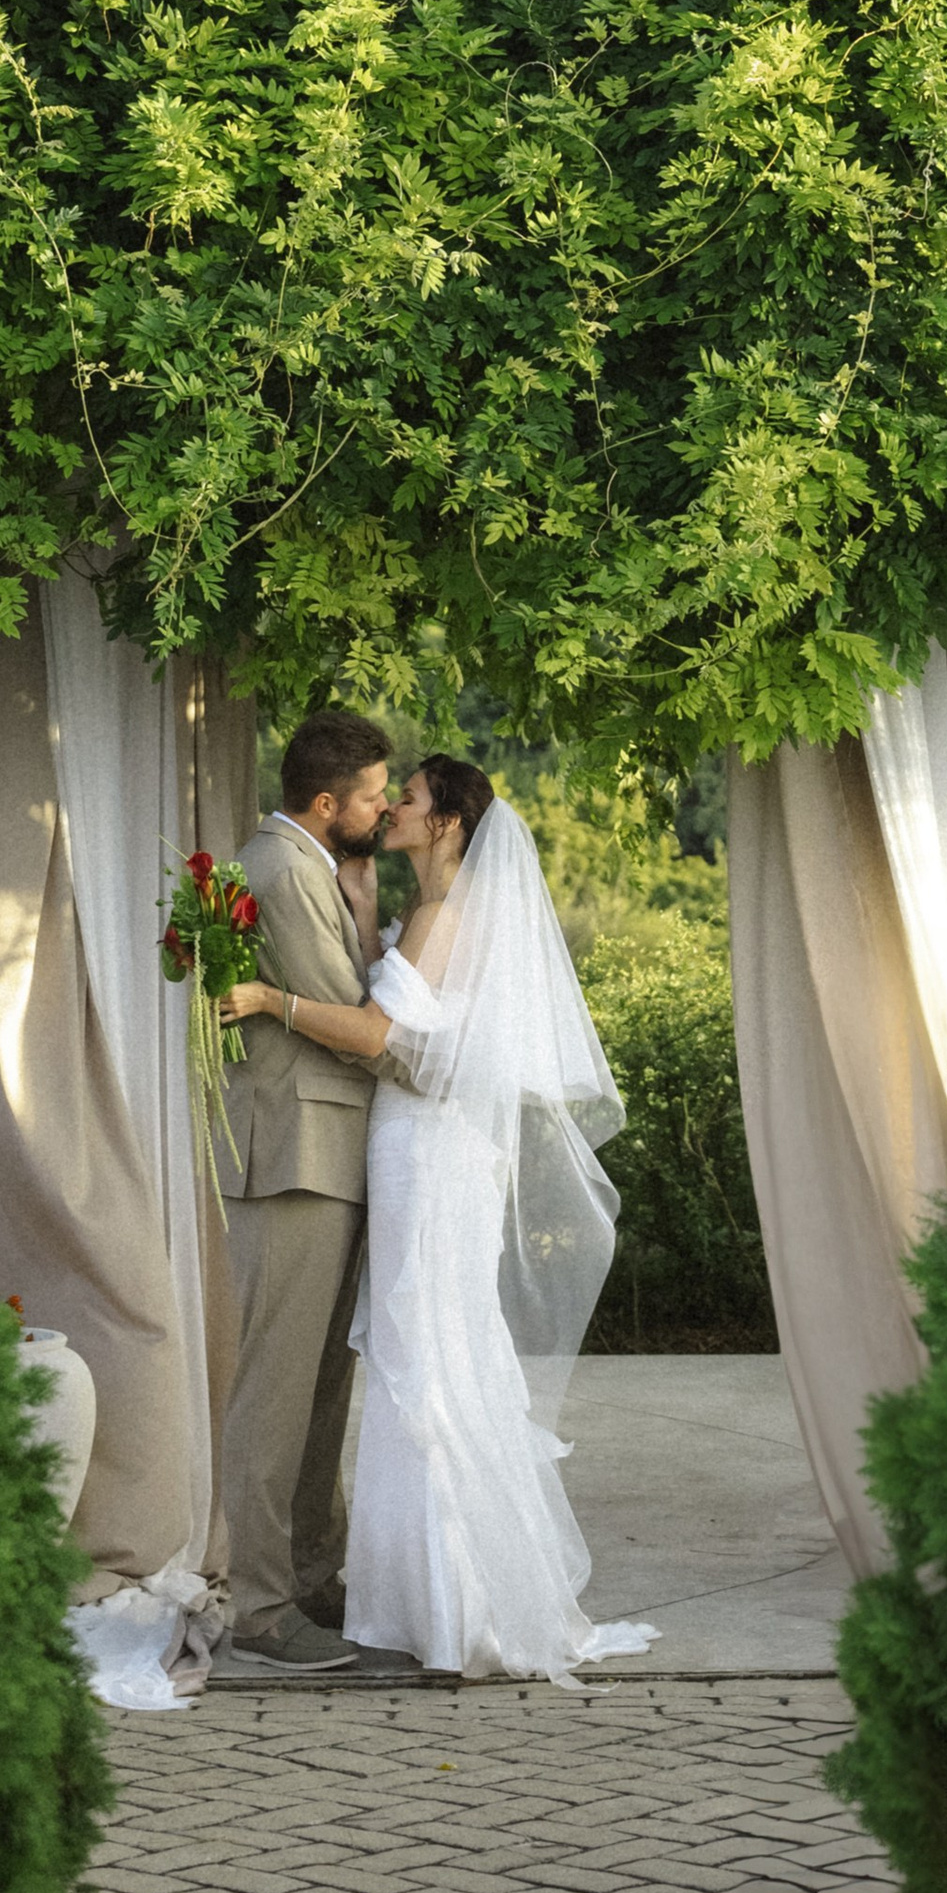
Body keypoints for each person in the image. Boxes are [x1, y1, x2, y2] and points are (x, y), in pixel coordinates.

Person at [222, 751, 657, 1685]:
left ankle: (449, 1610)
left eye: (407, 800)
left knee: (426, 1358)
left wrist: (267, 997)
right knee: (428, 1352)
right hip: (417, 1151)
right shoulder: (432, 913)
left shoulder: (446, 916)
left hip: (427, 1151)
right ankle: (431, 1596)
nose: (393, 812)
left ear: (448, 823)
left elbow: (384, 1038)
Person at [214, 706, 399, 1669]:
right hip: (292, 1154)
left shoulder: (310, 864)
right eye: (372, 794)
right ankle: (257, 1606)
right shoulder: (284, 869)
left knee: (325, 1382)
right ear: (325, 802)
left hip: (325, 1151)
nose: (382, 805)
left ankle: (313, 1573)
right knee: (277, 1389)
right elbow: (357, 1019)